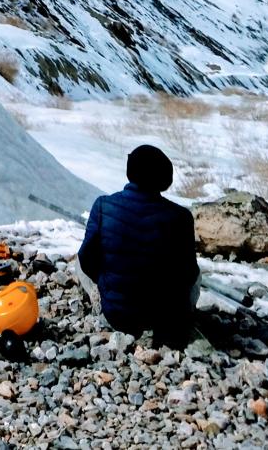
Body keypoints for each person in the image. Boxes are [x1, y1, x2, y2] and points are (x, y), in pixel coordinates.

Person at [76, 144, 200, 348]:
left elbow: (87, 260)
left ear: (130, 171)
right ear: (165, 179)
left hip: (117, 315)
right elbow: (189, 273)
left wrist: (106, 280)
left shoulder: (103, 205)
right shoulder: (181, 217)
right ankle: (183, 316)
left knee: (79, 260)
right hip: (165, 318)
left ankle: (98, 299)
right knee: (198, 272)